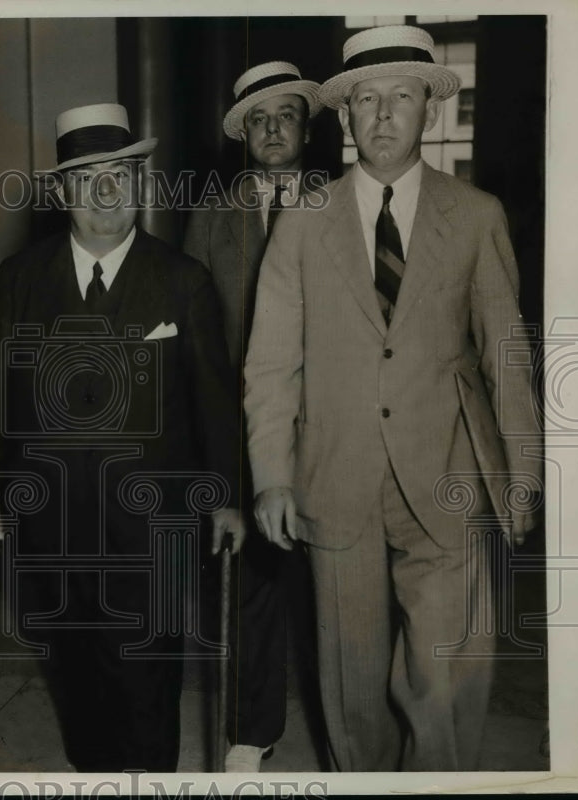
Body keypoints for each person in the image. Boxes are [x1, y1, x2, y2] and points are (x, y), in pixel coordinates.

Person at [243, 25, 542, 771]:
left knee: (446, 678)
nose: (382, 115)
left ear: (429, 112)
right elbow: (273, 359)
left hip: (448, 475)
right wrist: (271, 476)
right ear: (344, 116)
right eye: (366, 100)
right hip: (335, 476)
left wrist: (526, 476)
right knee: (350, 684)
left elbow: (509, 359)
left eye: (400, 98)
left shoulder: (476, 217)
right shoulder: (302, 225)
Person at [0, 102, 245, 772]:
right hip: (50, 526)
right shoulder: (20, 280)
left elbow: (214, 403)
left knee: (146, 689)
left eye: (119, 174)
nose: (106, 192)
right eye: (87, 178)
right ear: (62, 192)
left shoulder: (183, 282)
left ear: (141, 184)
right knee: (76, 684)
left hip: (152, 530)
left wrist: (227, 496)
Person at [183, 61, 322, 773]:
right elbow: (196, 330)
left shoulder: (346, 205)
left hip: (331, 424)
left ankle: (344, 726)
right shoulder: (214, 213)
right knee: (252, 581)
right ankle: (252, 727)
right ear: (245, 135)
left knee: (335, 581)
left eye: (287, 116)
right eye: (260, 120)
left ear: (308, 124)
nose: (274, 129)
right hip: (243, 423)